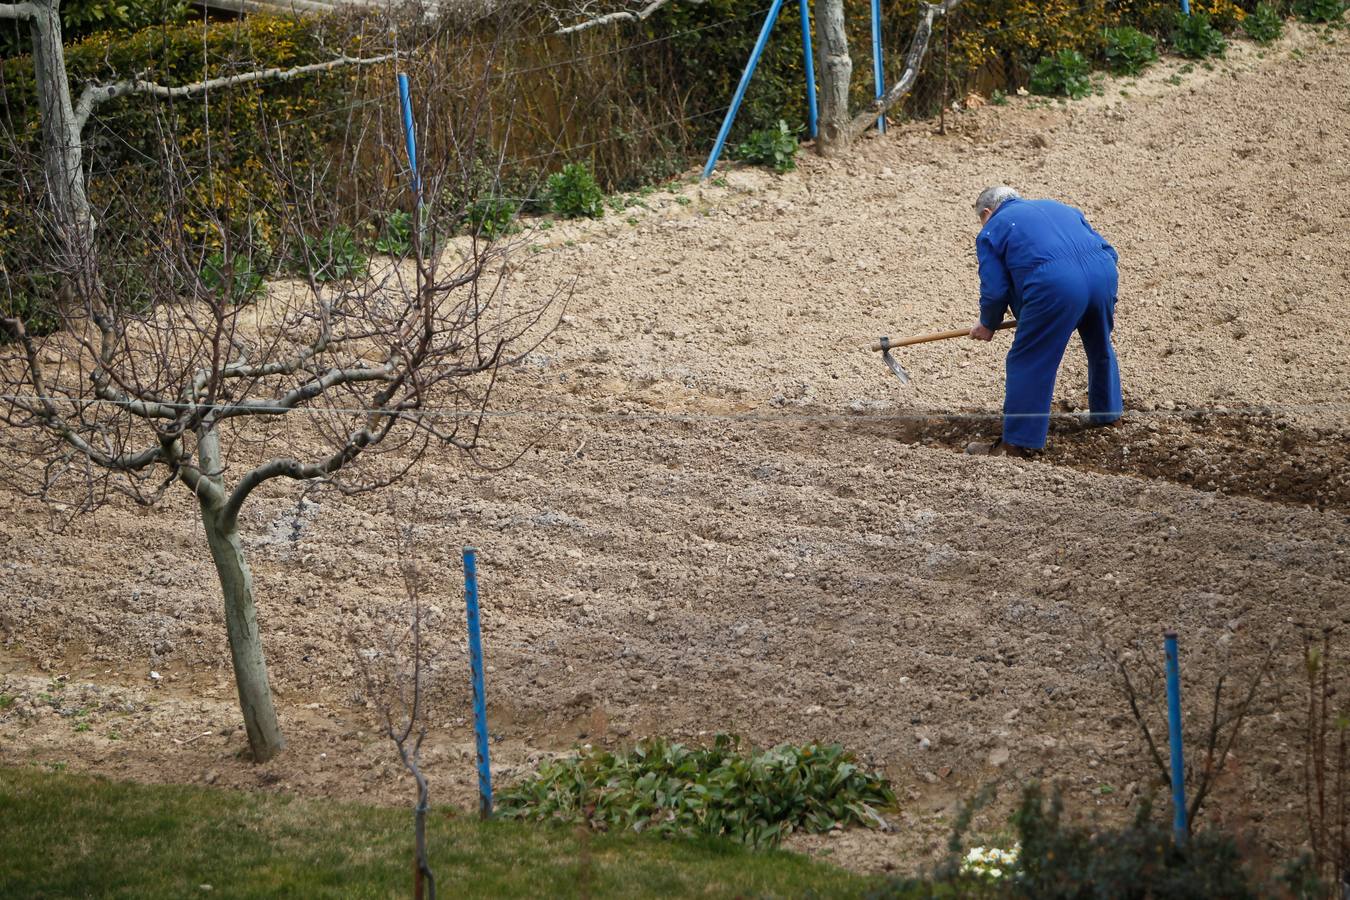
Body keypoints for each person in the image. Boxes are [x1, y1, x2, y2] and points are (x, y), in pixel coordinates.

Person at [964, 185, 1122, 457]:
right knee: (1100, 346)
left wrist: (988, 322)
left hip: (1054, 284)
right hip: (1102, 273)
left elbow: (995, 289)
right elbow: (1109, 250)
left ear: (987, 212)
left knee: (1028, 359)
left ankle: (1016, 443)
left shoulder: (992, 228)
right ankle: (1108, 414)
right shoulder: (1061, 207)